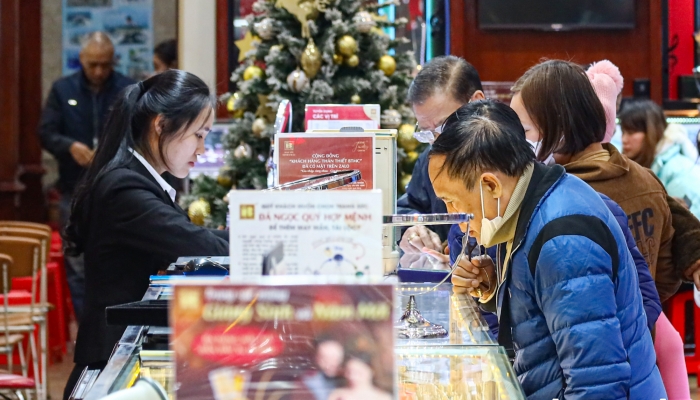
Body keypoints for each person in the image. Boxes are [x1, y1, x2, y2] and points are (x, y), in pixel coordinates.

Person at [431, 99, 666, 398]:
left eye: (452, 200)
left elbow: (597, 382)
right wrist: (493, 289)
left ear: (490, 186)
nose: (456, 217)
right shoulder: (528, 204)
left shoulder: (563, 239)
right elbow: (543, 319)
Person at [61, 70, 229, 400]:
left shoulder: (136, 180)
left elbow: (191, 237)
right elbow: (195, 245)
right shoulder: (125, 187)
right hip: (111, 367)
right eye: (198, 134)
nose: (202, 148)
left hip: (126, 356)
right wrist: (258, 237)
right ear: (161, 124)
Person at [509, 59, 681, 302]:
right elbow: (665, 274)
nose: (518, 141)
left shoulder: (555, 196)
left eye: (524, 130)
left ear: (560, 127)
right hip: (642, 331)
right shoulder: (647, 180)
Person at [38, 32, 134, 320]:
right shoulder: (62, 89)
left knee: (119, 259)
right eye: (92, 64)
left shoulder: (128, 89)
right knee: (77, 264)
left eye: (105, 65)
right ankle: (87, 325)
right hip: (74, 188)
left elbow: (140, 133)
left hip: (119, 189)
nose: (98, 71)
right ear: (81, 60)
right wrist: (69, 147)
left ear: (113, 61)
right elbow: (45, 133)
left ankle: (116, 323)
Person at [397, 56, 484, 254]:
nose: (437, 142)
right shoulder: (430, 158)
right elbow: (409, 206)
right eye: (427, 131)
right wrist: (413, 228)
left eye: (444, 126)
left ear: (477, 102)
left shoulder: (511, 157)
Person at [620, 99, 700, 216]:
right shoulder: (640, 165)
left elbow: (689, 224)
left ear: (652, 132)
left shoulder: (679, 170)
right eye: (623, 132)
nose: (624, 140)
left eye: (631, 133)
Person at [327, 352, 391, 400]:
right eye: (349, 372)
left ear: (372, 371)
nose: (352, 377)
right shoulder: (338, 395)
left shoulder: (382, 397)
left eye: (359, 373)